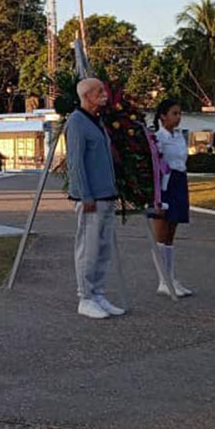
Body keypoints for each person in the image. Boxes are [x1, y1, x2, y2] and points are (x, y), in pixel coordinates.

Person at [65, 78, 125, 319]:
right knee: (88, 248)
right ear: (87, 95)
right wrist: (85, 195)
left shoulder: (97, 121)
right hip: (91, 198)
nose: (104, 94)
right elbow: (75, 163)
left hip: (106, 195)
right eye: (99, 91)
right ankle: (85, 297)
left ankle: (98, 293)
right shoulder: (77, 122)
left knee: (102, 249)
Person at [152, 98, 193, 297]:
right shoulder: (158, 138)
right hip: (165, 184)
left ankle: (171, 277)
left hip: (179, 181)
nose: (178, 118)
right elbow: (156, 165)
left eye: (179, 114)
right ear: (163, 116)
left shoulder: (179, 137)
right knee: (161, 232)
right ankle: (163, 280)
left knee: (171, 235)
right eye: (174, 113)